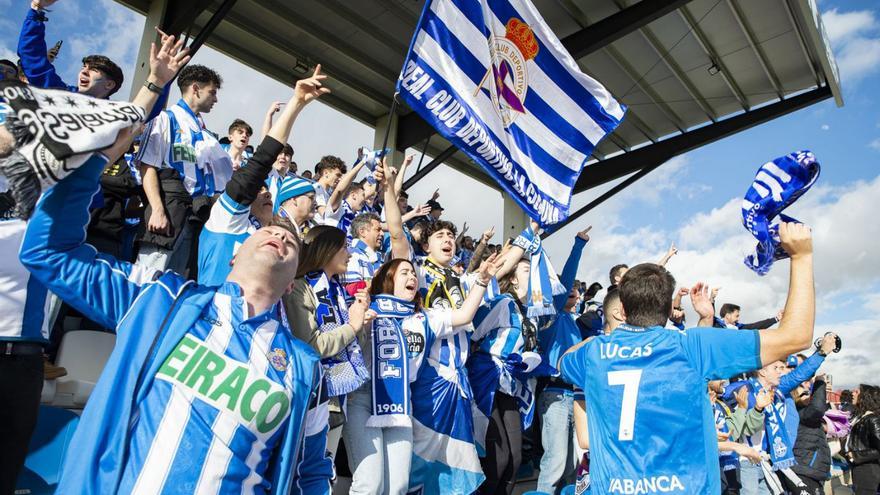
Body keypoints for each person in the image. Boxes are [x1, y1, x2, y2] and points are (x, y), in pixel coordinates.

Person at [16, 33, 331, 494]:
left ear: (293, 282)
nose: (280, 233)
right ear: (230, 250)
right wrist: (96, 156)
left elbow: (310, 472)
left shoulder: (304, 365)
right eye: (268, 228)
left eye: (291, 240)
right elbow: (48, 253)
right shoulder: (159, 302)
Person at [559, 222, 817, 494]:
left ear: (622, 310)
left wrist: (604, 341)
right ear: (668, 308)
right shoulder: (691, 346)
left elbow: (565, 359)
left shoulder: (594, 353)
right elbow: (796, 336)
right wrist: (801, 256)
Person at [197, 66, 327, 286]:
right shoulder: (228, 221)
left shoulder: (274, 238)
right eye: (259, 189)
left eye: (267, 189)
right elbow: (261, 161)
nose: (266, 193)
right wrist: (295, 103)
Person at [284, 226, 373, 475]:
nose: (350, 254)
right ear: (327, 250)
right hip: (312, 397)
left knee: (322, 475)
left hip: (336, 399)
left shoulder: (337, 292)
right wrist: (353, 325)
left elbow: (352, 343)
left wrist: (361, 322)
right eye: (344, 247)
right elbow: (311, 346)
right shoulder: (301, 288)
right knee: (304, 474)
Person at [136, 63, 231, 276]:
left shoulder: (204, 133)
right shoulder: (164, 118)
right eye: (212, 92)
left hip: (195, 216)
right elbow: (147, 166)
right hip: (168, 212)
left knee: (176, 286)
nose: (215, 99)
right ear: (195, 88)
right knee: (147, 278)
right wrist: (158, 210)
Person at [736, 334, 835, 495]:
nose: (780, 373)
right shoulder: (744, 390)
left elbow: (799, 374)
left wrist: (822, 353)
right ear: (762, 372)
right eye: (776, 368)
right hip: (749, 461)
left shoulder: (779, 389)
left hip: (771, 460)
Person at [534, 227, 592, 495]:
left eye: (577, 292)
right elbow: (566, 281)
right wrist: (578, 245)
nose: (575, 294)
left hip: (576, 396)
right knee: (555, 464)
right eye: (570, 291)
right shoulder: (552, 315)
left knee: (573, 468)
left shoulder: (576, 323)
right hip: (555, 395)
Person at [17, 0, 123, 98]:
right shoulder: (63, 95)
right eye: (83, 67)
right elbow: (31, 57)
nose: (84, 72)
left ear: (109, 84)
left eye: (93, 70)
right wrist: (37, 8)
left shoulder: (119, 115)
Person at [787, 375, 832, 495]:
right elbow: (817, 408)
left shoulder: (806, 413)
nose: (808, 396)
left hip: (810, 471)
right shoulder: (800, 413)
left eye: (809, 393)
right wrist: (820, 382)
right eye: (803, 394)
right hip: (804, 471)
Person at [844, 384, 880, 495]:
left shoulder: (872, 419)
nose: (853, 393)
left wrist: (855, 455)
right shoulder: (859, 417)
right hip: (859, 468)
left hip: (868, 471)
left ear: (865, 396)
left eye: (857, 391)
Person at [342, 212, 384, 289]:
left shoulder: (378, 257)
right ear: (362, 232)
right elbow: (353, 288)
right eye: (378, 230)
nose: (382, 233)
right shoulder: (352, 254)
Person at [714, 303, 780, 330]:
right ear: (728, 316)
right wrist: (712, 299)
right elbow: (708, 316)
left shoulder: (739, 328)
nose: (738, 319)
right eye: (736, 316)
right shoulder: (716, 326)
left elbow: (757, 325)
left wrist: (776, 319)